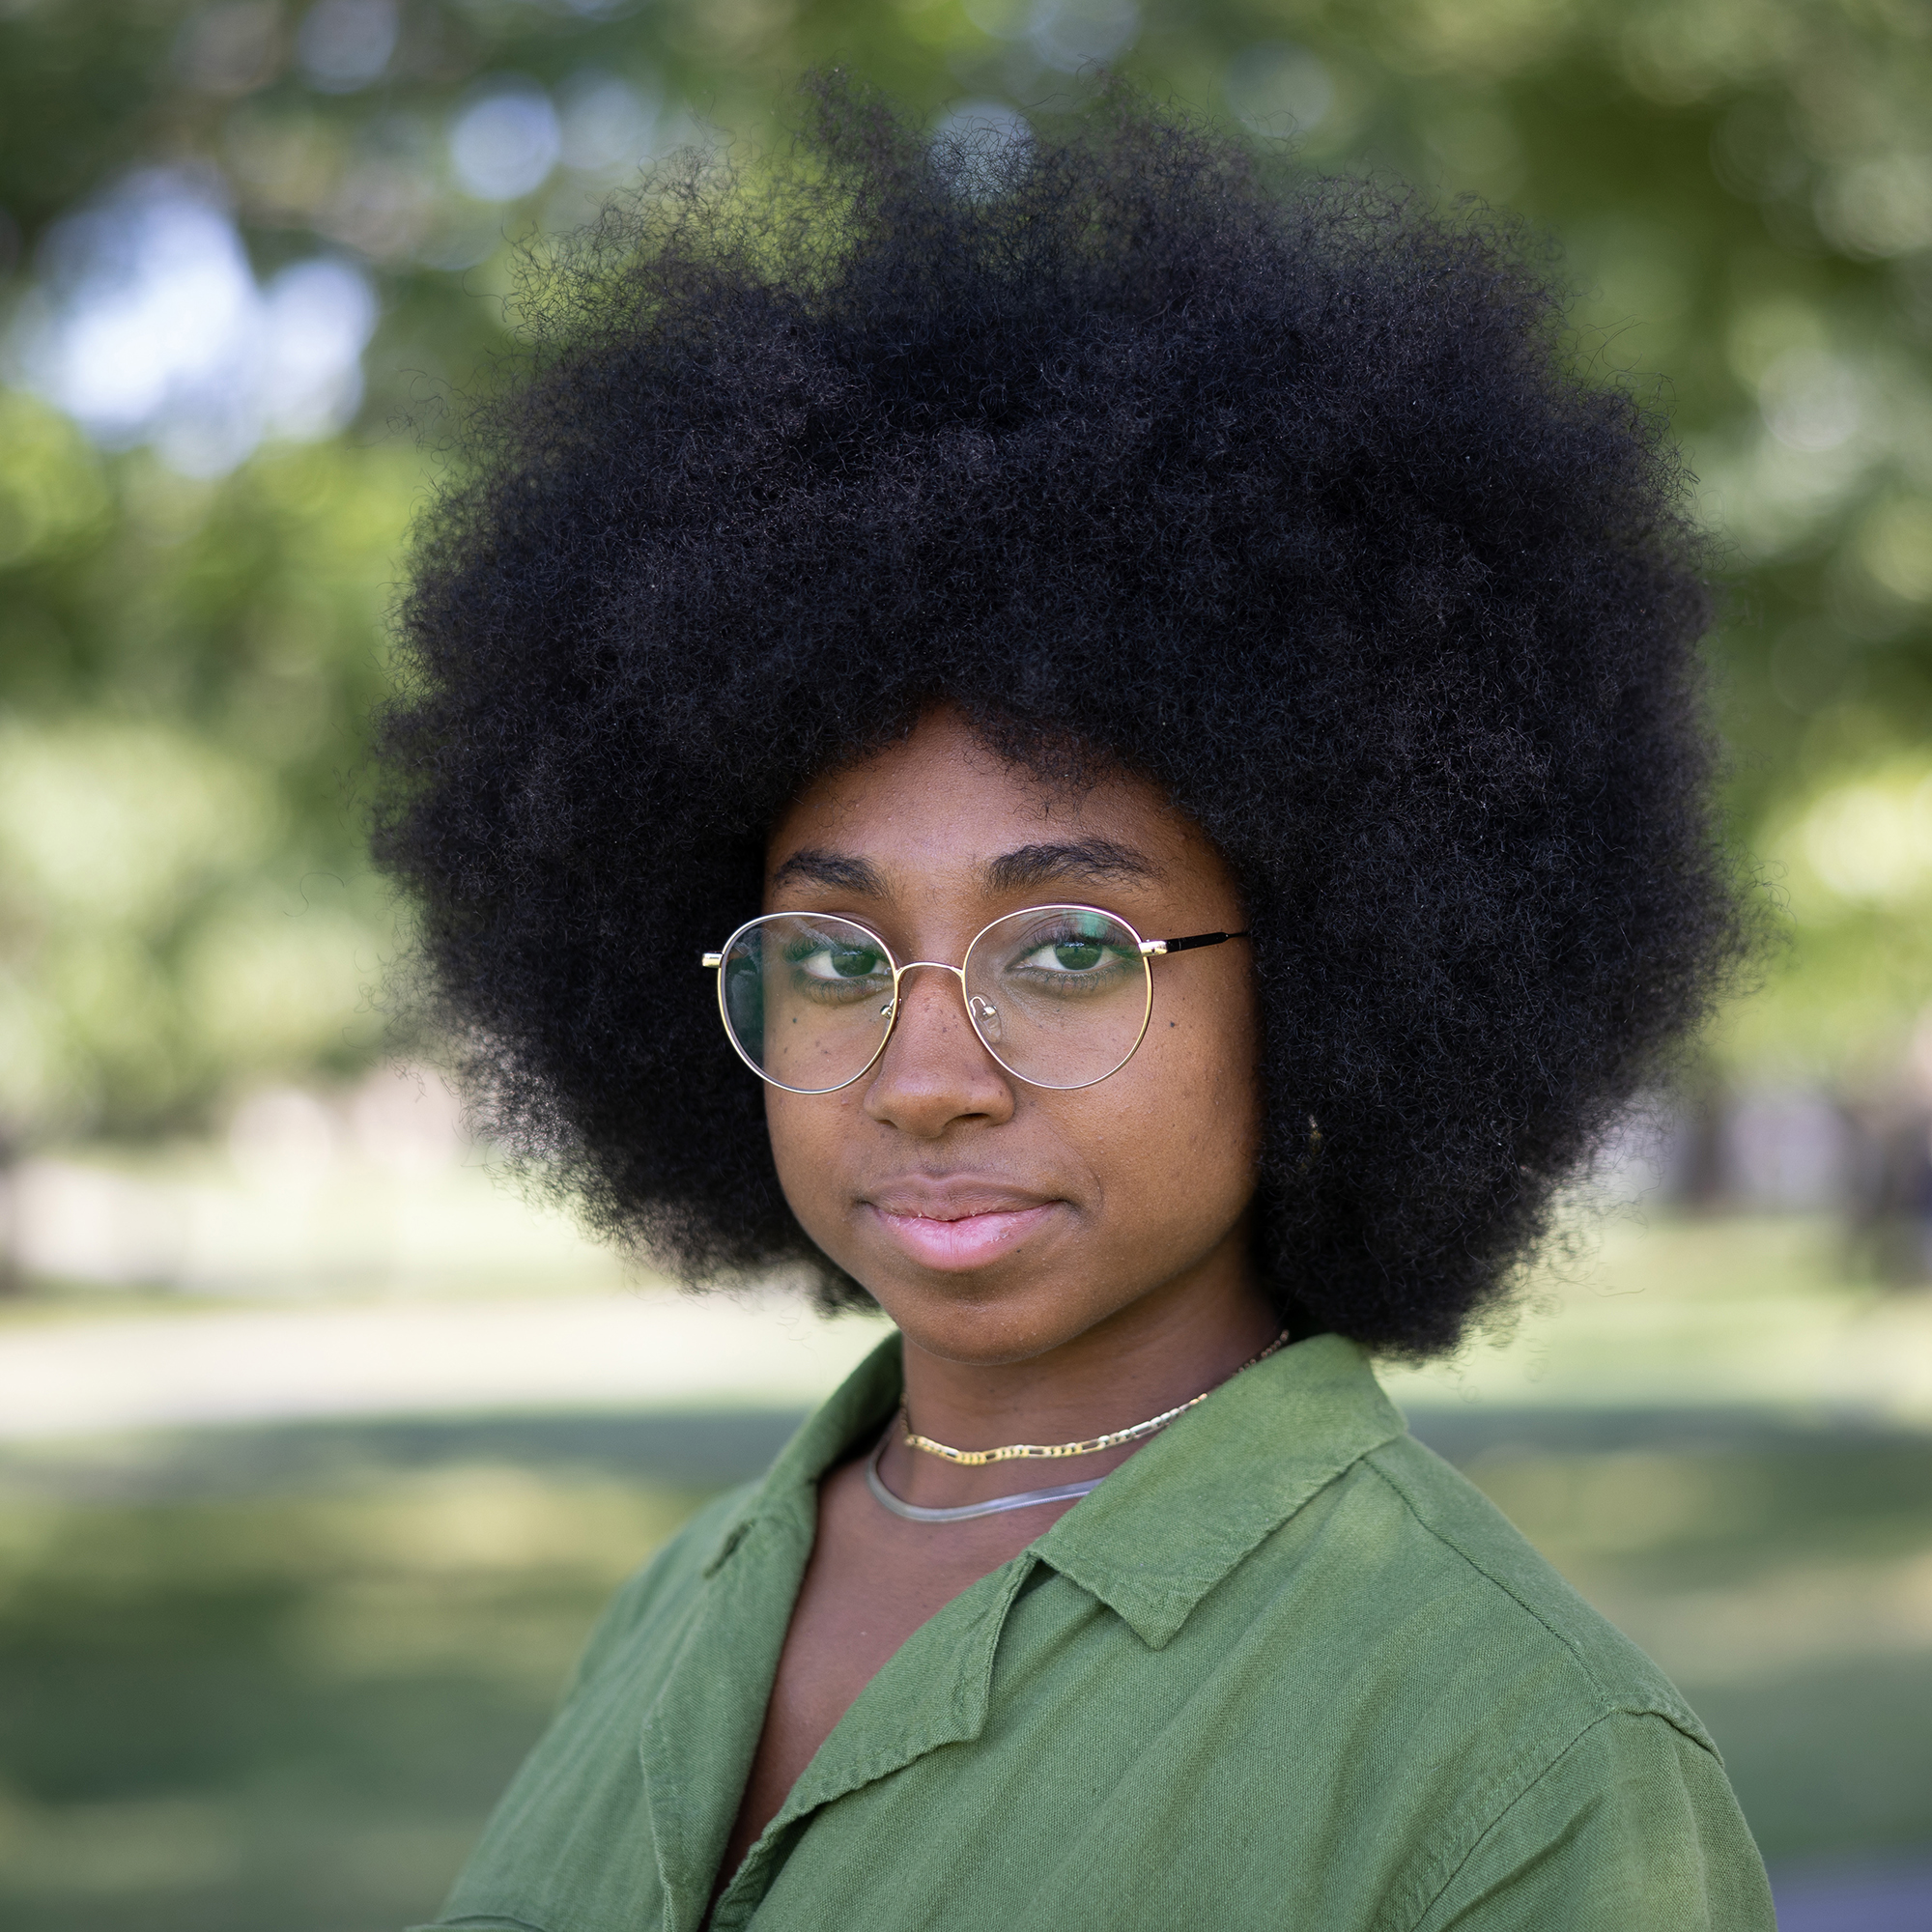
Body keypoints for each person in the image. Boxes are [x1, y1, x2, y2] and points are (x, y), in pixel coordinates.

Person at [375, 77, 1774, 1931]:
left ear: (1337, 987)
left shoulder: (1522, 1767)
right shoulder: (687, 1597)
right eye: (835, 957)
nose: (925, 1077)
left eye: (1067, 952)